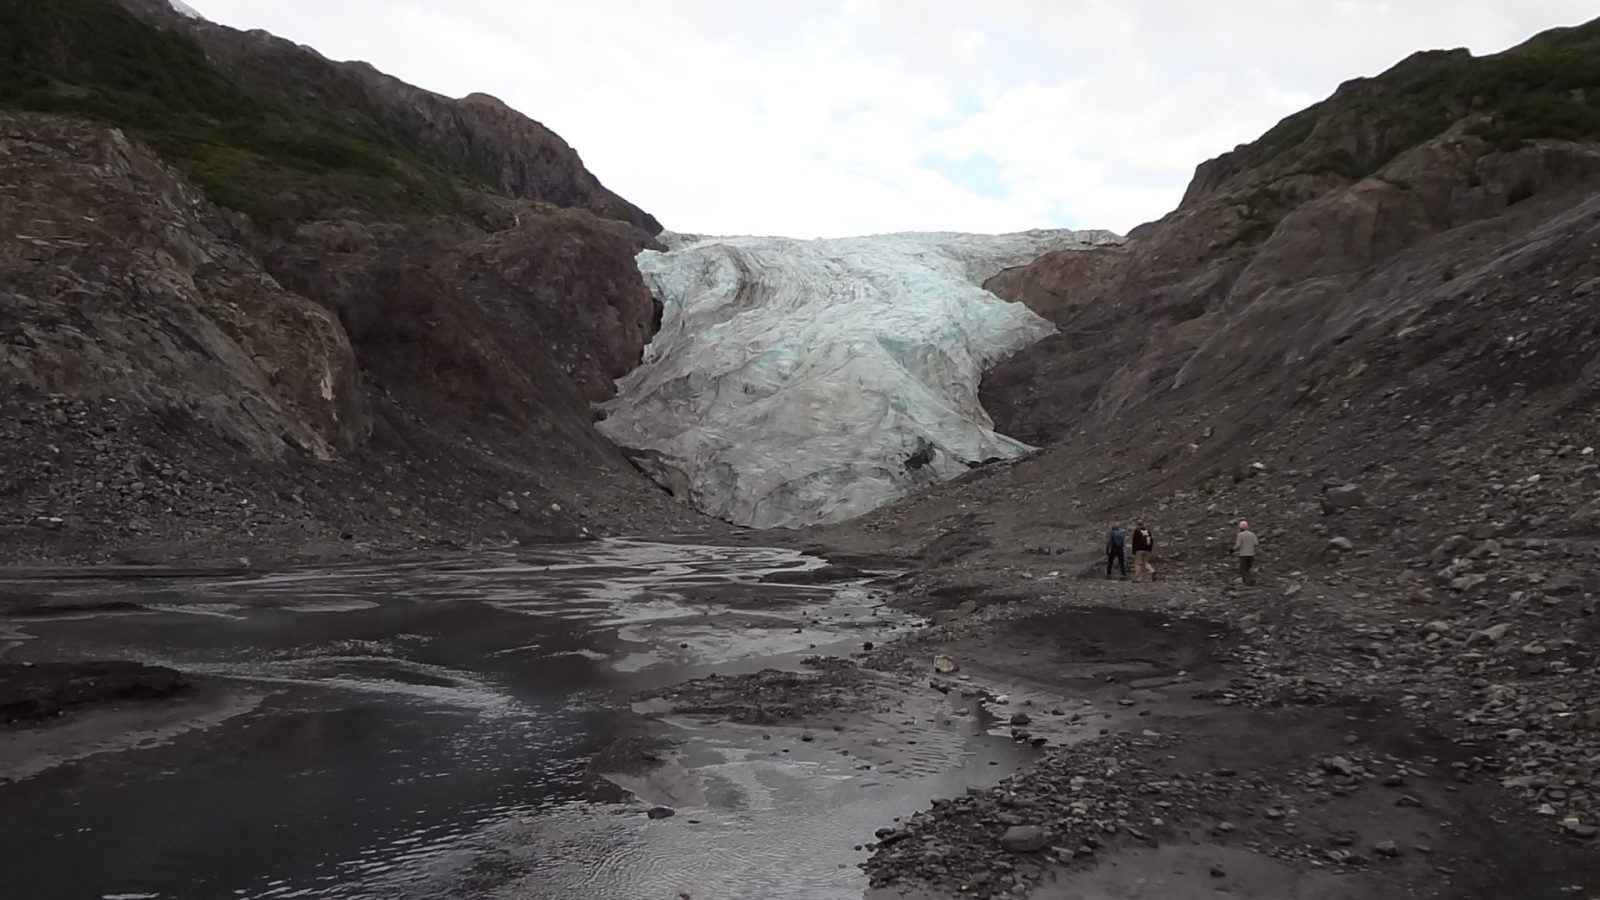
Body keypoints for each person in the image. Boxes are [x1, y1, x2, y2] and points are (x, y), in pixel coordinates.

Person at [1234, 520, 1259, 585]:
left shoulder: (1240, 535)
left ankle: (1249, 582)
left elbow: (1238, 545)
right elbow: (1256, 543)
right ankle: (1246, 581)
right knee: (1248, 568)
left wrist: (1232, 549)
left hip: (1243, 554)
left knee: (1243, 569)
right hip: (1251, 554)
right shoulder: (1252, 534)